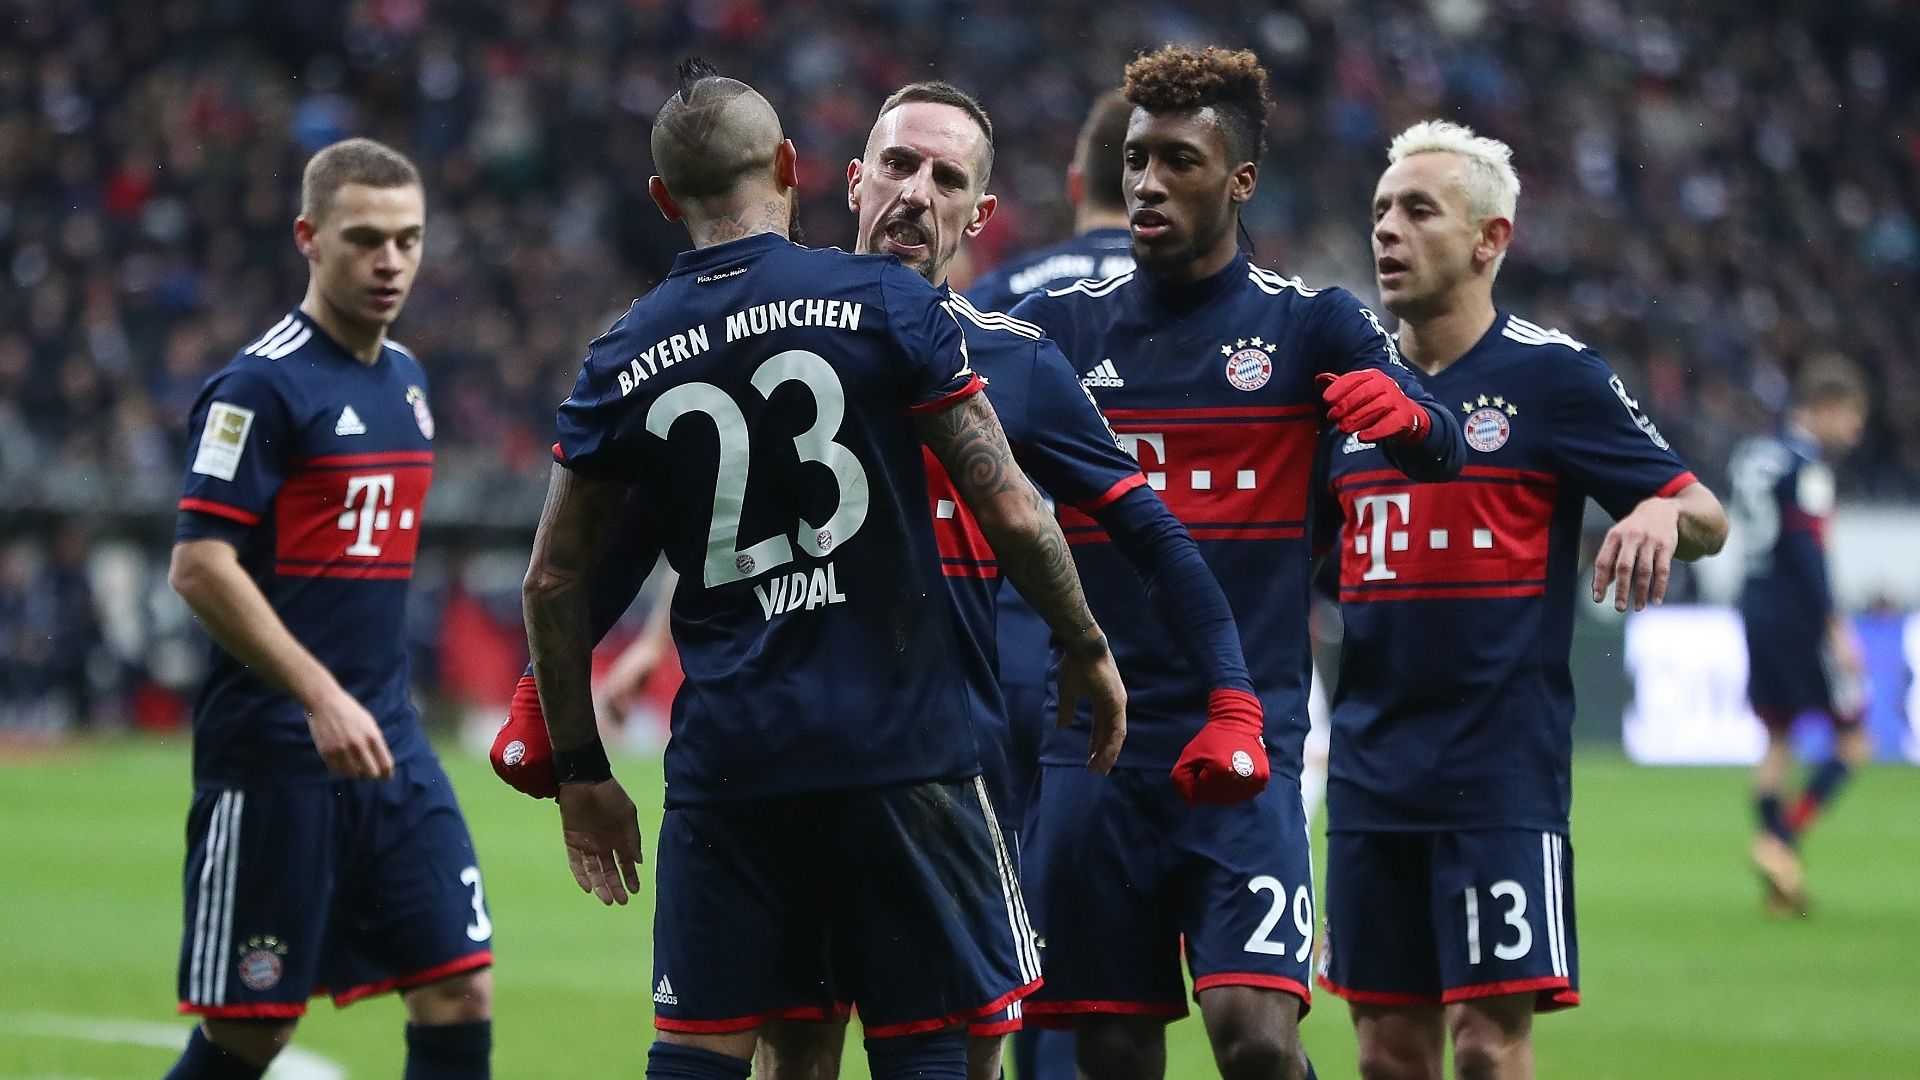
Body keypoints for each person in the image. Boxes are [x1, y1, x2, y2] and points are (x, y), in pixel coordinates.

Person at [493, 79, 1266, 1080]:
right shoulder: (821, 324)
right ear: (846, 180)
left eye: (947, 178)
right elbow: (629, 543)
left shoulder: (1015, 365)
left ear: (980, 215)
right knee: (804, 1053)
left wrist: (1232, 694)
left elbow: (1150, 533)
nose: (916, 192)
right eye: (899, 165)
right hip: (871, 754)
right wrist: (541, 699)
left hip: (950, 760)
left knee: (964, 1051)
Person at [1010, 46, 1467, 1080]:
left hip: (1246, 737)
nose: (1147, 183)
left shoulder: (1310, 325)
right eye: (1137, 158)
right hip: (1092, 747)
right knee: (1111, 1046)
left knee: (1256, 1037)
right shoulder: (1059, 332)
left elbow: (1440, 442)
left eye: (1179, 160)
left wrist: (1408, 419)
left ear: (1240, 179)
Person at [1314, 120, 1728, 1080]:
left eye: (1419, 211)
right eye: (1380, 210)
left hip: (1499, 773)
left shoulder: (1553, 377)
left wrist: (1659, 513)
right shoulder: (1344, 384)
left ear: (1489, 239)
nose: (1388, 230)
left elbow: (1704, 513)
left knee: (1487, 1049)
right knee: (1385, 1055)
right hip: (1371, 771)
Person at [164, 138, 494, 1080]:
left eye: (408, 240)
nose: (391, 262)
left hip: (388, 739)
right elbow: (199, 566)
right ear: (308, 238)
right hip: (276, 752)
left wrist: (357, 701)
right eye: (365, 240)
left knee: (460, 988)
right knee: (251, 1030)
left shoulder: (410, 383)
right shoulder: (259, 386)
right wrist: (318, 694)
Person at [1731, 358, 1871, 915]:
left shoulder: (1755, 454)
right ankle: (1780, 842)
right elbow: (1805, 548)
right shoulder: (1807, 467)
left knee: (1777, 742)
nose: (1855, 433)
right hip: (1799, 617)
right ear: (1827, 407)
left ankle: (1780, 885)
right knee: (1854, 743)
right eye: (1853, 419)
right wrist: (1835, 625)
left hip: (1756, 605)